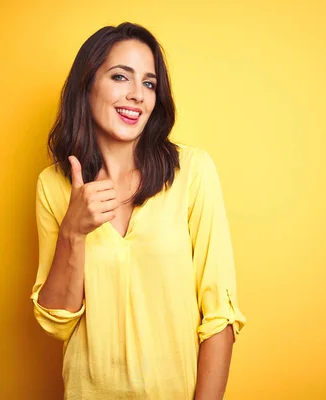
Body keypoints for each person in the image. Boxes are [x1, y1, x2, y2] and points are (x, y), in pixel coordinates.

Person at [30, 22, 246, 399]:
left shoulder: (192, 172)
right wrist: (72, 232)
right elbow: (56, 323)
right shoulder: (53, 185)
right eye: (119, 77)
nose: (137, 96)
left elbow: (219, 317)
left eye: (148, 84)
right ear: (87, 85)